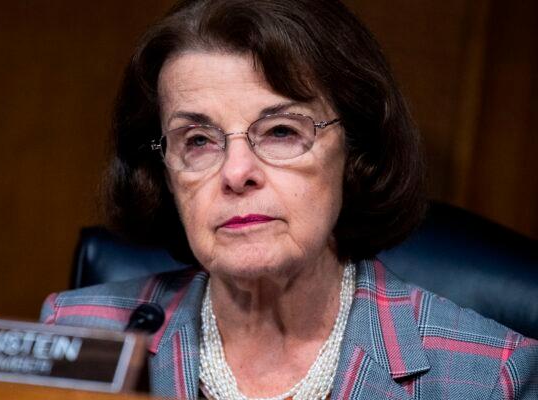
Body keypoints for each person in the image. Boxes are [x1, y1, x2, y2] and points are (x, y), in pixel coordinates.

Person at [41, 0, 538, 398]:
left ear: (355, 151)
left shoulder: (488, 376)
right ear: (163, 172)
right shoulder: (78, 335)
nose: (236, 173)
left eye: (280, 131)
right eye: (197, 140)